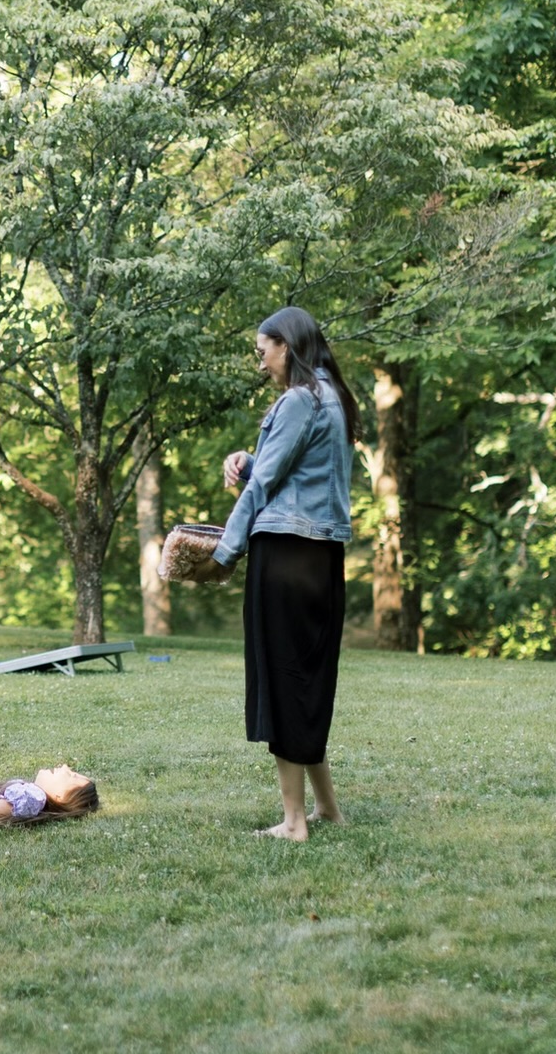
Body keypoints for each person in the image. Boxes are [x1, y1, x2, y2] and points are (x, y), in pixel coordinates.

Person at [212, 306, 358, 842]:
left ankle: (294, 822)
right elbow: (295, 469)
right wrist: (247, 461)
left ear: (287, 346)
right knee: (308, 679)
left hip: (286, 554)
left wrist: (224, 552)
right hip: (322, 557)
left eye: (263, 351)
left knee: (284, 679)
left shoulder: (298, 400)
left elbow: (265, 485)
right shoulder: (333, 398)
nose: (261, 363)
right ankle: (327, 809)